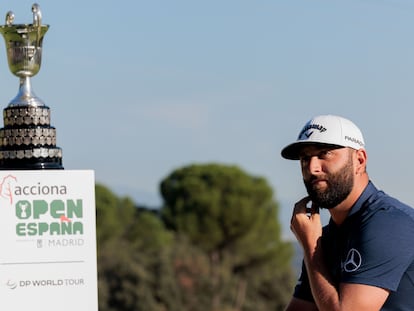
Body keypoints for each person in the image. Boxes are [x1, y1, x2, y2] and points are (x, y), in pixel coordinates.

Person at [281, 115, 414, 311]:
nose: (312, 168)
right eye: (305, 158)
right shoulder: (324, 239)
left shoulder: (389, 224)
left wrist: (310, 248)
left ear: (359, 160)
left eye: (324, 154)